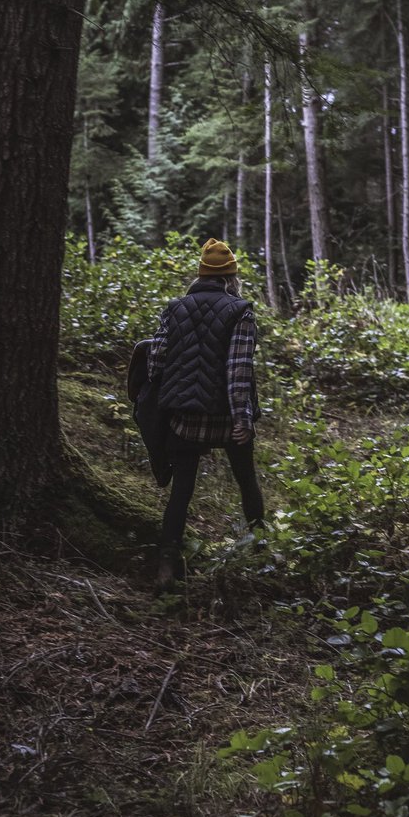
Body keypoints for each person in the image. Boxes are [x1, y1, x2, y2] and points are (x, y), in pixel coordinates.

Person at [147, 237, 264, 593]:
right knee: (246, 480)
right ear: (230, 277)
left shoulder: (175, 307)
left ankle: (167, 563)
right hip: (227, 420)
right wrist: (242, 418)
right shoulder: (240, 309)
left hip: (183, 420)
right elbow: (238, 369)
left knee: (181, 490)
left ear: (201, 275)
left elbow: (156, 360)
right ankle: (261, 551)